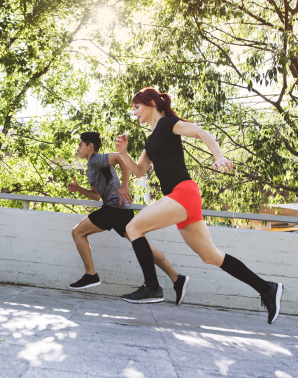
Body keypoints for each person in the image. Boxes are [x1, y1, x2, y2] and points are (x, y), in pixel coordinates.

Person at [115, 88, 283, 324]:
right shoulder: (151, 139)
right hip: (182, 199)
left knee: (133, 228)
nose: (135, 113)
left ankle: (152, 287)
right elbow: (140, 171)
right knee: (211, 256)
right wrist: (123, 154)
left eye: (137, 107)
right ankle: (267, 288)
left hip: (182, 194)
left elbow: (201, 132)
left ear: (151, 103)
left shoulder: (167, 124)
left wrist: (218, 156)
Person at [67, 131, 190, 305]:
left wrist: (125, 186)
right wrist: (78, 189)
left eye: (80, 145)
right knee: (144, 247)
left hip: (115, 208)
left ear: (90, 146)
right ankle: (177, 279)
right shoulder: (91, 167)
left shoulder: (96, 159)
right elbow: (96, 196)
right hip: (120, 209)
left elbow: (119, 157)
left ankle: (91, 275)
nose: (78, 148)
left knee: (77, 232)